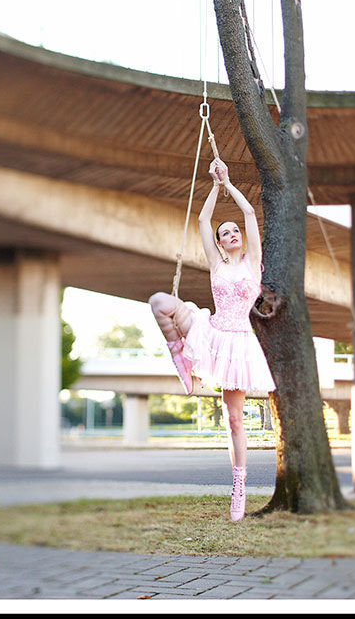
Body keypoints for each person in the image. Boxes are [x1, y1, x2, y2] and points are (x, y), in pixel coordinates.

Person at [148, 157, 276, 522]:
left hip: (239, 345)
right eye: (226, 234)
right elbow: (203, 221)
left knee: (234, 420)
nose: (232, 235)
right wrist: (214, 187)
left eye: (236, 232)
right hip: (211, 329)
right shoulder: (217, 264)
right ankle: (179, 356)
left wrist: (229, 182)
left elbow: (249, 212)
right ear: (219, 244)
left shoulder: (253, 262)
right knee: (159, 302)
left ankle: (240, 487)